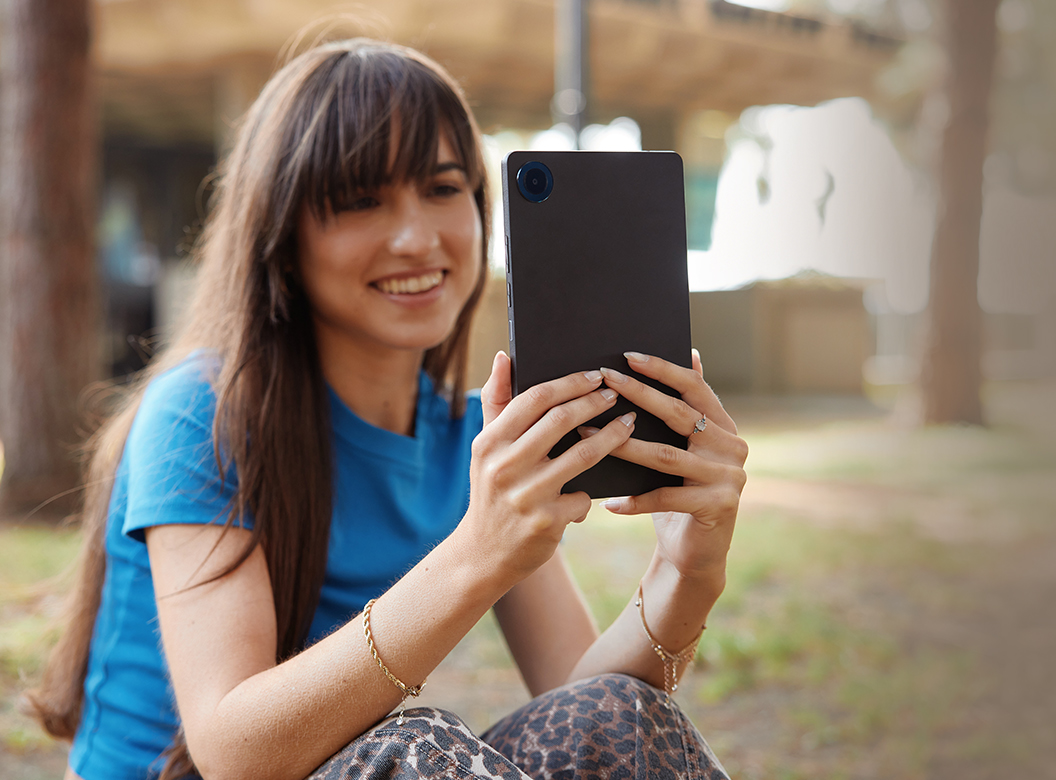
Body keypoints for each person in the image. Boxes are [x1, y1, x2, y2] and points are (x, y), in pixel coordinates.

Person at [25, 37, 747, 780]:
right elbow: (233, 751)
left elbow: (585, 711)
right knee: (413, 748)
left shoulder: (470, 439)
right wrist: (479, 549)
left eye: (441, 189)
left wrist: (686, 570)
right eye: (361, 200)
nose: (415, 237)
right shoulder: (201, 415)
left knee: (621, 713)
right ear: (283, 235)